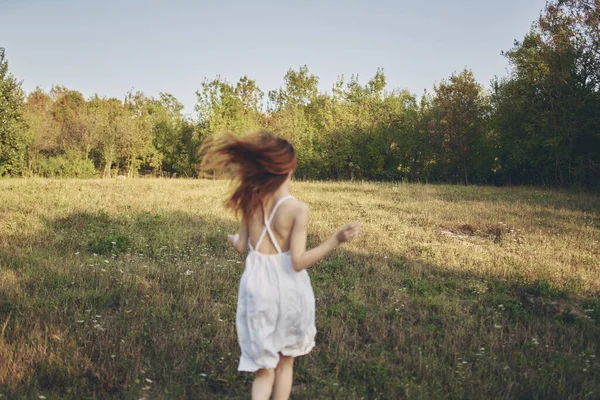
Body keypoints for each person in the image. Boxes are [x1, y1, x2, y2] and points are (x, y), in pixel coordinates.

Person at [200, 131, 360, 400]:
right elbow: (298, 262)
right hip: (287, 289)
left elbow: (241, 245)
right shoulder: (297, 209)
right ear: (289, 169)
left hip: (256, 287)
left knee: (264, 369)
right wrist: (336, 239)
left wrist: (231, 238)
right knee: (285, 363)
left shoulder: (249, 202)